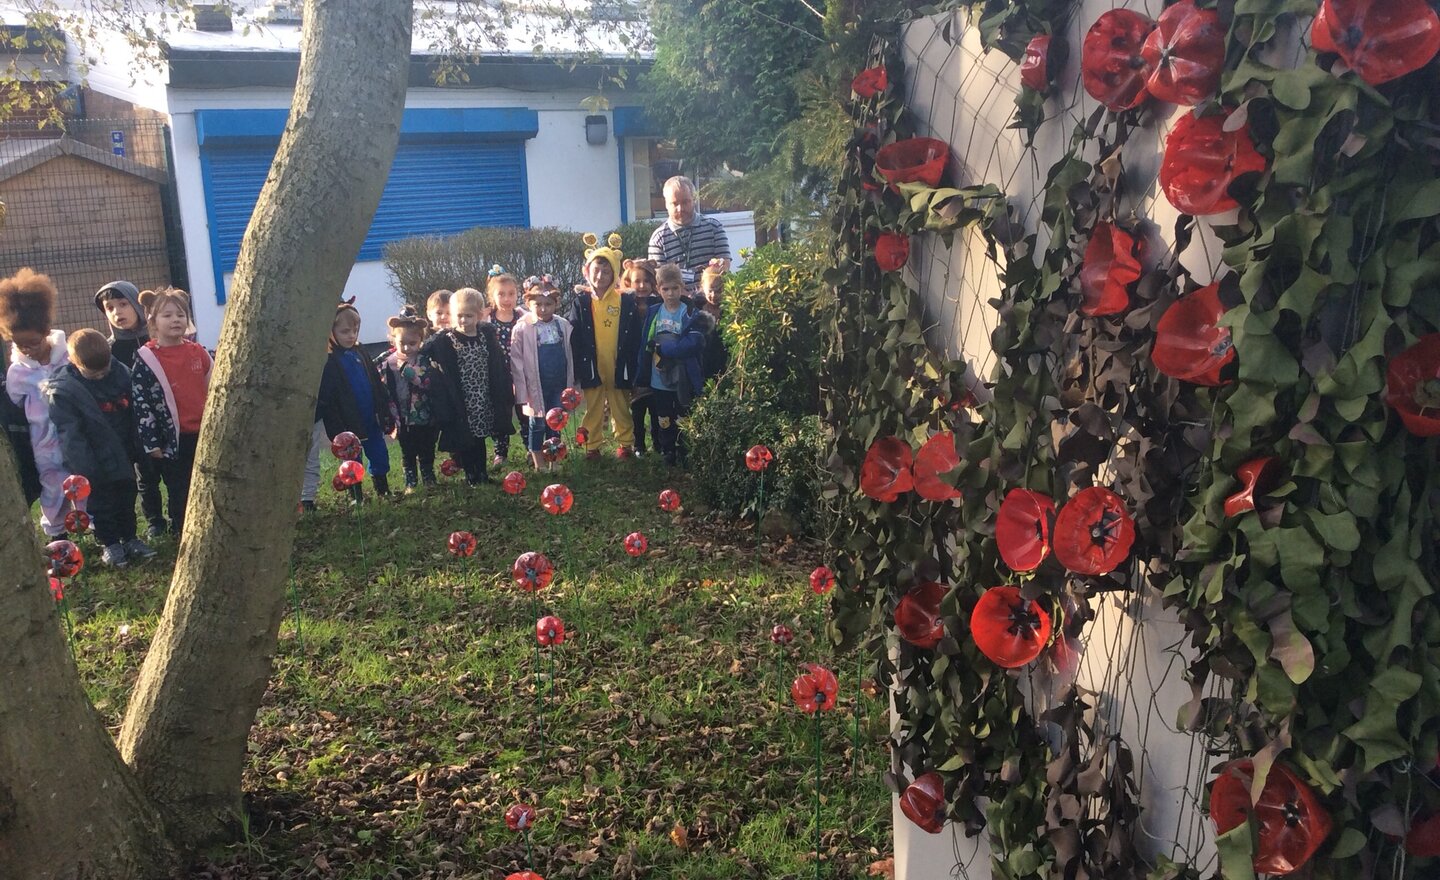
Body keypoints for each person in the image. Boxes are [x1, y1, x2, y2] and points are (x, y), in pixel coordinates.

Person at [45, 329, 156, 567]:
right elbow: (70, 433)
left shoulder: (121, 374)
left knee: (127, 496)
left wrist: (138, 447)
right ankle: (110, 543)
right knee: (101, 503)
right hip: (93, 457)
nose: (99, 376)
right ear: (73, 363)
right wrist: (84, 466)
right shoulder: (65, 390)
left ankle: (130, 537)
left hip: (123, 451)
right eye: (92, 373)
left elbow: (134, 412)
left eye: (103, 370)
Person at [132, 287, 212, 537]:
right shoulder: (146, 358)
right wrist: (151, 440)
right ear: (153, 321)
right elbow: (141, 402)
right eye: (167, 315)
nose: (175, 320)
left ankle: (207, 524)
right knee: (179, 487)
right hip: (172, 439)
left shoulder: (197, 351)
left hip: (204, 432)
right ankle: (181, 529)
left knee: (206, 482)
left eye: (180, 314)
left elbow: (214, 383)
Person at [0, 268, 74, 536]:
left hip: (73, 434)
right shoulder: (17, 373)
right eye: (21, 346)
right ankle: (56, 533)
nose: (27, 350)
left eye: (32, 343)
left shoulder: (67, 358)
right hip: (43, 443)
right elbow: (15, 404)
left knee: (82, 482)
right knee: (52, 487)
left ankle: (95, 528)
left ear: (45, 331)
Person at [95, 279, 166, 537]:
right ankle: (155, 520)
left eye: (123, 304)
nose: (117, 312)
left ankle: (180, 514)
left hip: (164, 416)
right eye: (109, 307)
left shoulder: (158, 339)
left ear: (136, 305)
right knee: (145, 475)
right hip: (132, 422)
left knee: (172, 469)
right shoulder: (109, 349)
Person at [421, 287, 514, 484]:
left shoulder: (485, 336)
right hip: (462, 399)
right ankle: (470, 474)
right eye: (459, 316)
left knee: (479, 438)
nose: (463, 321)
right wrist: (437, 336)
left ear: (479, 315)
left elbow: (497, 363)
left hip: (483, 397)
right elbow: (426, 351)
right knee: (466, 440)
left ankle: (482, 472)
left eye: (469, 316)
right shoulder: (448, 339)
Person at [568, 232, 642, 459]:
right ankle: (592, 445)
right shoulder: (581, 302)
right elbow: (574, 335)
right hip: (592, 364)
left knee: (621, 404)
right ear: (587, 272)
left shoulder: (625, 301)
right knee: (594, 407)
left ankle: (626, 443)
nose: (600, 276)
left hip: (619, 364)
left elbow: (635, 334)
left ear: (615, 274)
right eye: (596, 271)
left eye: (607, 271)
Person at [317, 299, 395, 498]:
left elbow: (376, 383)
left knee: (379, 454)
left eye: (355, 331)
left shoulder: (361, 352)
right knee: (352, 461)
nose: (351, 336)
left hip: (371, 417)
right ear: (331, 332)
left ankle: (382, 488)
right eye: (345, 332)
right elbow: (328, 398)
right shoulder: (330, 361)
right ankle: (356, 495)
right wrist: (336, 427)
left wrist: (384, 410)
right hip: (348, 422)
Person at [636, 263, 710, 466]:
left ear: (682, 287)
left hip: (683, 376)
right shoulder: (654, 312)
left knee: (683, 415)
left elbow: (694, 343)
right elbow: (646, 342)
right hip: (658, 376)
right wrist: (642, 369)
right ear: (658, 289)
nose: (670, 293)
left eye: (675, 288)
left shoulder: (690, 312)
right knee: (663, 416)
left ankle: (684, 450)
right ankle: (667, 450)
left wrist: (666, 349)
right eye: (665, 289)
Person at [510, 275, 575, 471]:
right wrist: (522, 392)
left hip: (559, 383)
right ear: (529, 303)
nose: (543, 309)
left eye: (548, 304)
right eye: (538, 304)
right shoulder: (522, 328)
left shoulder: (562, 325)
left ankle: (554, 460)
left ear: (556, 304)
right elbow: (516, 362)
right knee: (537, 423)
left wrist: (571, 383)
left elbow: (569, 354)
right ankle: (538, 461)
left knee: (556, 421)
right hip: (536, 385)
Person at [377, 306, 438, 491]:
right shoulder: (387, 361)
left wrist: (413, 375)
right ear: (393, 339)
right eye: (402, 342)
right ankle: (410, 481)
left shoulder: (424, 360)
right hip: (400, 416)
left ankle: (428, 476)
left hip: (423, 414)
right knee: (407, 450)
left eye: (412, 343)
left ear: (420, 341)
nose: (406, 347)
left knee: (426, 448)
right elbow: (379, 381)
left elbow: (429, 383)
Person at [647, 176, 732, 295]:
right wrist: (689, 298)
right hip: (678, 304)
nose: (680, 209)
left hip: (713, 300)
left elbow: (725, 265)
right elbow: (661, 280)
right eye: (675, 203)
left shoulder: (714, 228)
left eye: (685, 202)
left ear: (694, 199)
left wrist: (706, 294)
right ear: (666, 204)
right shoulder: (658, 239)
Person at [486, 267, 528, 467]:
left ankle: (531, 447)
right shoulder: (487, 321)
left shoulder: (523, 318)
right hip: (498, 376)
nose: (506, 298)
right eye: (501, 294)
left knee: (525, 412)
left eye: (511, 293)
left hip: (521, 373)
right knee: (501, 414)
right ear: (492, 296)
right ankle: (500, 453)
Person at [620, 259, 661, 457]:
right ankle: (639, 445)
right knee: (637, 409)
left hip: (654, 362)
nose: (642, 286)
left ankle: (658, 442)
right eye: (637, 281)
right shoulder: (626, 306)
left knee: (655, 407)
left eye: (646, 281)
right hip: (634, 363)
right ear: (628, 283)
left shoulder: (659, 304)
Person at [696, 260, 731, 382]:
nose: (714, 295)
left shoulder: (730, 310)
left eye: (718, 291)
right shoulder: (696, 309)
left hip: (725, 364)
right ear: (703, 288)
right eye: (710, 290)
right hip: (703, 365)